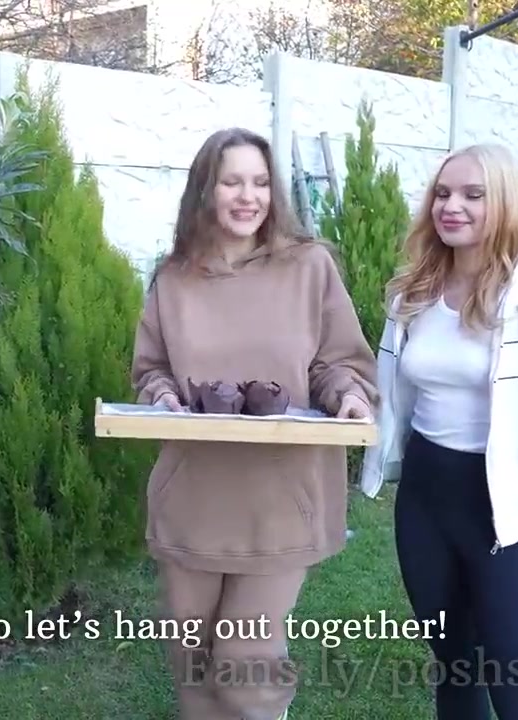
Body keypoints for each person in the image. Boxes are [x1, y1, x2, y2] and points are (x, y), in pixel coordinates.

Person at [130, 127, 379, 720]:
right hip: (193, 499)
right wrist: (161, 394)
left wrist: (348, 395)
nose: (249, 197)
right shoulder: (173, 278)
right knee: (193, 670)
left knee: (245, 670)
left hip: (281, 502)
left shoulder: (309, 266)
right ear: (205, 190)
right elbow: (151, 368)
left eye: (261, 183)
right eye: (233, 182)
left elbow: (337, 362)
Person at [359, 143, 518, 719]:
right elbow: (395, 390)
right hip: (425, 500)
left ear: (507, 204)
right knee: (455, 671)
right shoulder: (413, 292)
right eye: (443, 193)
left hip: (505, 510)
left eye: (474, 195)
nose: (452, 206)